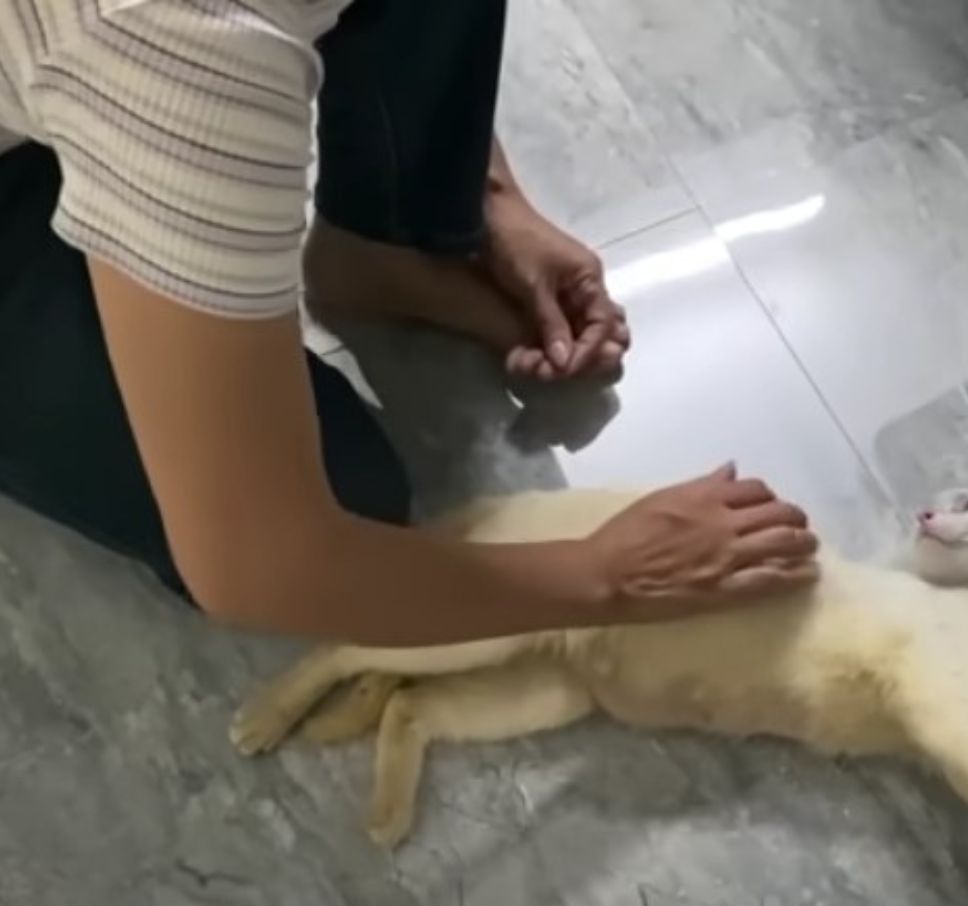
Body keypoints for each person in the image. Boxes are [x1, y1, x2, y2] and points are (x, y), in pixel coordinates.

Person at [0, 0, 819, 646]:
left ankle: (382, 251)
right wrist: (609, 575)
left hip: (87, 62)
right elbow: (259, 567)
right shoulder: (176, 44)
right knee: (335, 510)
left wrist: (473, 191)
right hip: (95, 87)